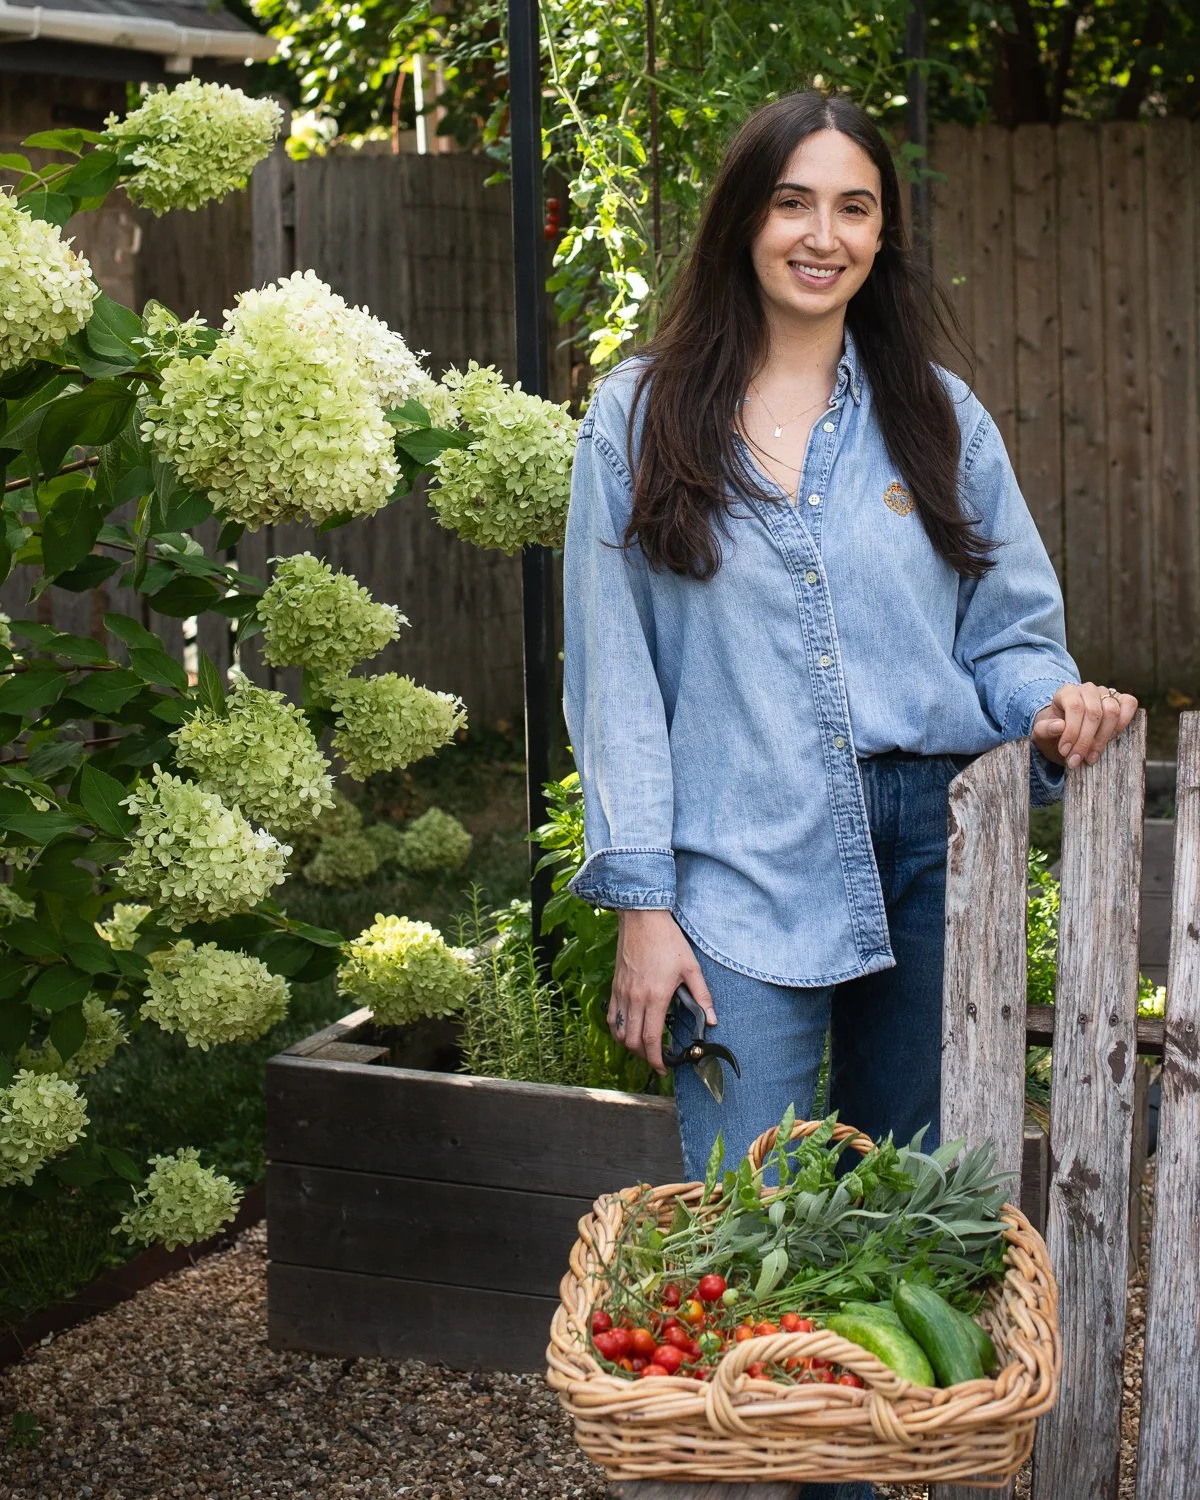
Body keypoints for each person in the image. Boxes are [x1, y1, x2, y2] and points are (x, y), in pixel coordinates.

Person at [561, 91, 1138, 1500]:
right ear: (744, 217)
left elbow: (1008, 637)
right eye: (795, 202)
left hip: (937, 860)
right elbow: (617, 680)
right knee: (747, 1242)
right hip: (737, 877)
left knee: (909, 1239)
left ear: (884, 229)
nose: (825, 235)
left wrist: (1053, 705)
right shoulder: (638, 419)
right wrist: (641, 900)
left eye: (857, 206)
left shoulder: (939, 420)